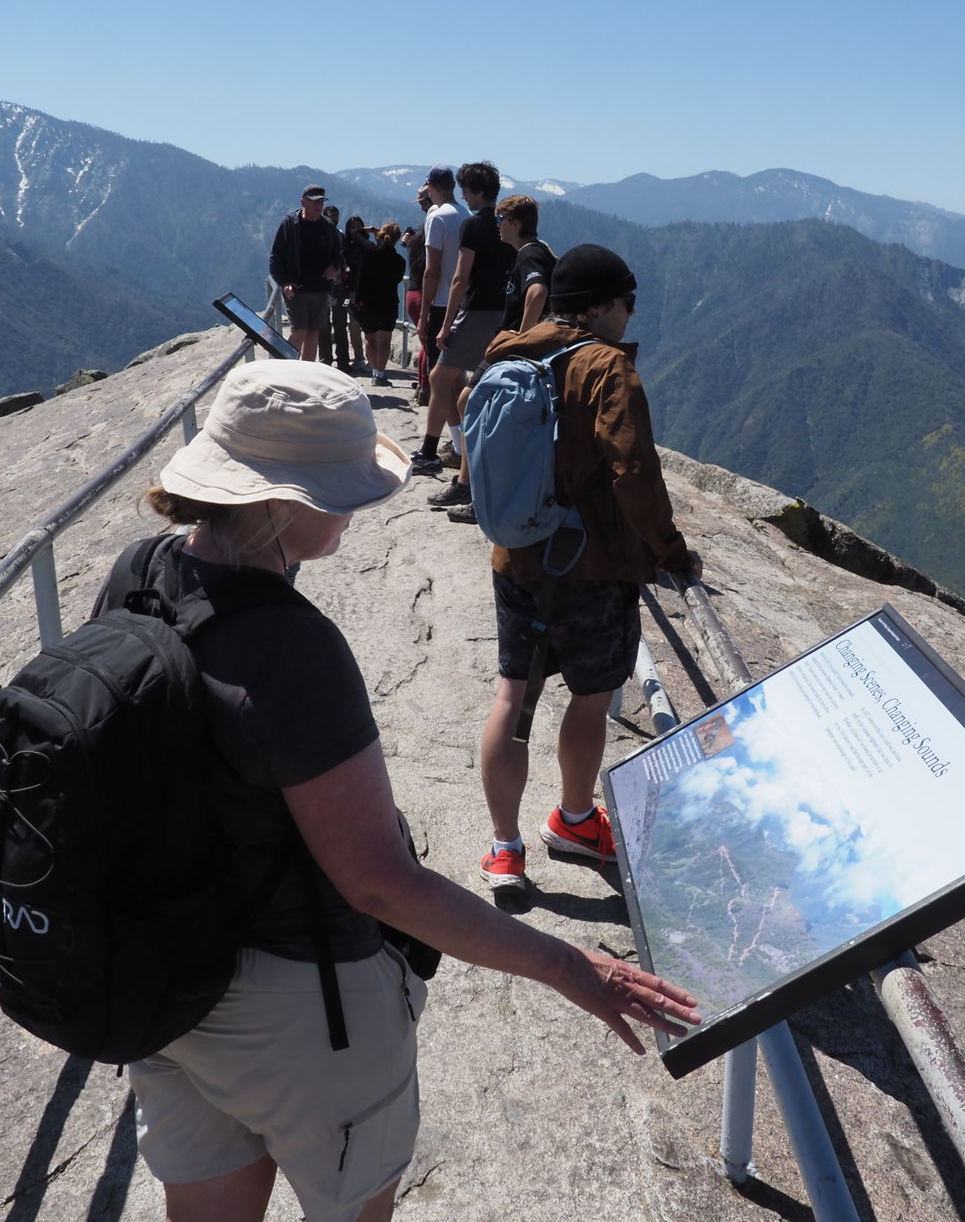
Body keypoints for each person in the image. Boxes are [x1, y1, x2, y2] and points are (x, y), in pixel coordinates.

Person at [117, 360, 699, 1222]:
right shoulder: (294, 651)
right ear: (282, 503)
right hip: (300, 1009)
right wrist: (572, 967)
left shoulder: (139, 571)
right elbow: (378, 882)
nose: (352, 508)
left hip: (166, 978)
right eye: (338, 491)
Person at [472, 244, 702, 891]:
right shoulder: (606, 369)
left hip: (516, 558)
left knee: (512, 696)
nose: (631, 315)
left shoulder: (507, 351)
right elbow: (634, 471)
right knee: (591, 695)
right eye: (628, 302)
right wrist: (669, 554)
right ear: (601, 305)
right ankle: (574, 821)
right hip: (593, 567)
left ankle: (504, 849)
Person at [412, 160, 511, 490]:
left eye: (468, 189)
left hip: (475, 308)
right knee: (462, 380)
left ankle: (442, 450)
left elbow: (458, 277)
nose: (464, 195)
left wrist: (445, 323)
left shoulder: (471, 225)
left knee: (441, 376)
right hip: (503, 310)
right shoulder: (503, 222)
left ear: (479, 191)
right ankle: (456, 448)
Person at [267, 186, 343, 361]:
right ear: (303, 202)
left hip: (321, 289)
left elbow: (337, 254)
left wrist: (333, 267)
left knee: (313, 333)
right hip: (296, 289)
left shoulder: (327, 227)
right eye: (315, 201)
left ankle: (305, 375)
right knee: (299, 330)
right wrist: (283, 281)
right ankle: (286, 371)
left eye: (322, 201)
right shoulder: (290, 224)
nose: (319, 204)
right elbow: (276, 256)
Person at [415, 165, 463, 416]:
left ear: (431, 186)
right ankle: (461, 436)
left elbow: (431, 270)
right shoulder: (466, 215)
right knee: (456, 374)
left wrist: (424, 313)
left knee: (439, 377)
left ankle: (452, 438)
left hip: (440, 303)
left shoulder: (437, 218)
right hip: (462, 305)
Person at [356, 221, 407, 387]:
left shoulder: (369, 252)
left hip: (367, 301)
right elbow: (397, 280)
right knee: (385, 340)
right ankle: (380, 374)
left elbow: (356, 233)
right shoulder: (399, 261)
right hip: (389, 302)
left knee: (369, 339)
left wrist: (370, 230)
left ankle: (373, 372)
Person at [497, 194, 555, 334]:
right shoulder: (539, 249)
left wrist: (523, 337)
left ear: (515, 224)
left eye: (500, 219)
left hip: (523, 343)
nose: (497, 224)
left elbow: (538, 292)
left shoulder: (529, 253)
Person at [329, 213, 370, 373]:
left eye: (358, 227)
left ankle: (369, 357)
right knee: (353, 323)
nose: (355, 230)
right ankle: (359, 357)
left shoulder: (368, 246)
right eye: (353, 227)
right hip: (349, 292)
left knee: (366, 324)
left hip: (365, 291)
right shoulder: (345, 247)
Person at [401, 219, 428, 401]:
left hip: (411, 293)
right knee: (430, 346)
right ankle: (425, 387)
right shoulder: (430, 251)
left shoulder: (415, 248)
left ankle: (421, 384)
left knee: (424, 344)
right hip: (424, 294)